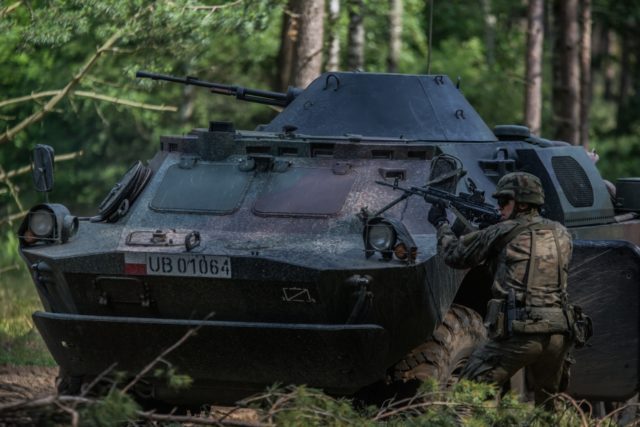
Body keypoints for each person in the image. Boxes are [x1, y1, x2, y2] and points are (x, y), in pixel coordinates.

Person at [428, 172, 574, 405]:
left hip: (521, 333)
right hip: (559, 333)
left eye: (504, 202)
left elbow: (454, 256)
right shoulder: (561, 233)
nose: (499, 208)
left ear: (523, 203)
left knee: (467, 397)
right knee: (548, 406)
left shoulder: (500, 232)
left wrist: (441, 224)